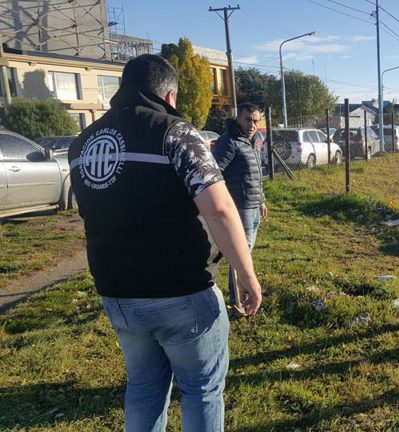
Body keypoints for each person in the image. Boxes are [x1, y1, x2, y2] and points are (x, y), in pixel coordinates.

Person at [68, 54, 262, 431]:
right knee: (201, 389)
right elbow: (220, 209)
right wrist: (246, 275)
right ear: (169, 95)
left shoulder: (82, 144)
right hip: (180, 290)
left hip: (117, 292)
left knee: (143, 387)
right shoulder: (175, 131)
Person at [212, 103, 267, 312]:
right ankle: (238, 298)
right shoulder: (230, 142)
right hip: (239, 206)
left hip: (253, 205)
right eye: (247, 120)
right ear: (238, 119)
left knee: (246, 251)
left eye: (255, 120)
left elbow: (255, 175)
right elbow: (216, 172)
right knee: (240, 253)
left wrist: (261, 200)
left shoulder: (251, 142)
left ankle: (241, 294)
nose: (252, 124)